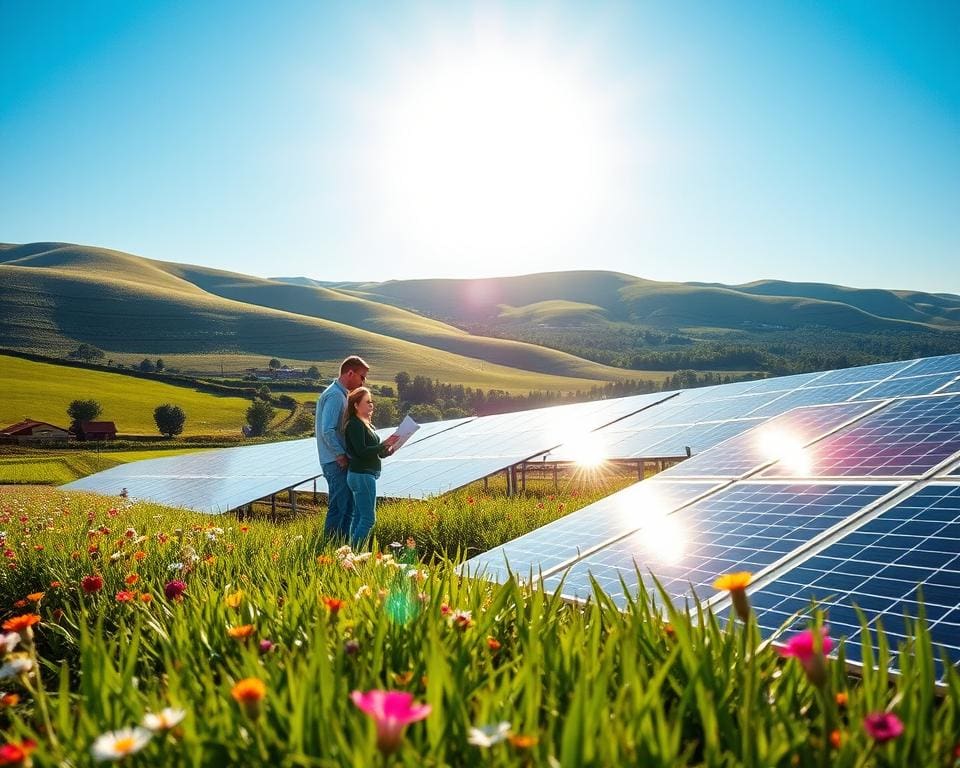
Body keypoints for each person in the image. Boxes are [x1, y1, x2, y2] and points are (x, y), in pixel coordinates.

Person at [316, 355, 370, 540]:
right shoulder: (335, 396)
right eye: (362, 377)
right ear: (350, 373)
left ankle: (340, 546)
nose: (363, 381)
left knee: (346, 507)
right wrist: (341, 455)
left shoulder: (339, 394)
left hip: (336, 460)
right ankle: (331, 548)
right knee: (339, 507)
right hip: (335, 461)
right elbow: (328, 430)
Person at [342, 386, 399, 547]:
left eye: (371, 402)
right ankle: (355, 555)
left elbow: (375, 453)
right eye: (367, 402)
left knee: (359, 517)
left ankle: (350, 553)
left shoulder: (367, 425)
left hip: (362, 475)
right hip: (362, 474)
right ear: (356, 405)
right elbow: (361, 451)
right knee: (368, 519)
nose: (371, 405)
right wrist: (383, 444)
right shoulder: (355, 424)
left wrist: (388, 450)